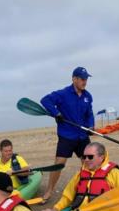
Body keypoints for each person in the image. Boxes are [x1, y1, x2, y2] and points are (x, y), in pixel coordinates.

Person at [40, 66, 95, 202]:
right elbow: (45, 100)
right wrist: (56, 113)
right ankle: (49, 191)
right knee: (59, 163)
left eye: (86, 79)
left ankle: (89, 189)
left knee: (88, 163)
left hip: (82, 135)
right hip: (67, 135)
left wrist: (91, 125)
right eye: (82, 79)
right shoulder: (63, 94)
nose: (85, 81)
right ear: (74, 79)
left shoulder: (87, 96)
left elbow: (89, 114)